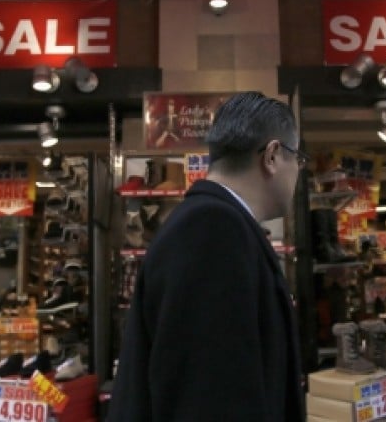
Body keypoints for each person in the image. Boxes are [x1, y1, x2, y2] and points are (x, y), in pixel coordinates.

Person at [108, 92, 306, 422]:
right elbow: (210, 397)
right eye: (297, 158)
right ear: (272, 155)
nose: (298, 172)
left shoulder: (217, 224)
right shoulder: (213, 230)